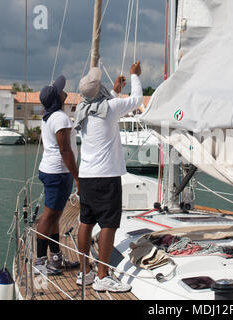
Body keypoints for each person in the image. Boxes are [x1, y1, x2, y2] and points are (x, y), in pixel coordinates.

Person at [74, 61, 143, 292]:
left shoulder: (82, 108)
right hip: (106, 177)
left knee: (86, 222)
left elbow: (101, 103)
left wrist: (114, 90)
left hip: (86, 176)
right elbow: (137, 100)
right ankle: (103, 276)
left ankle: (84, 273)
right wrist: (135, 76)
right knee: (108, 225)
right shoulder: (110, 108)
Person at [35, 75, 80, 275]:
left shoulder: (48, 115)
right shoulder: (60, 118)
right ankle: (40, 262)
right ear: (57, 98)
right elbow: (65, 150)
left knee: (55, 216)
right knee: (49, 216)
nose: (64, 92)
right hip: (58, 173)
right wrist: (77, 177)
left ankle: (55, 258)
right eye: (61, 91)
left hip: (51, 170)